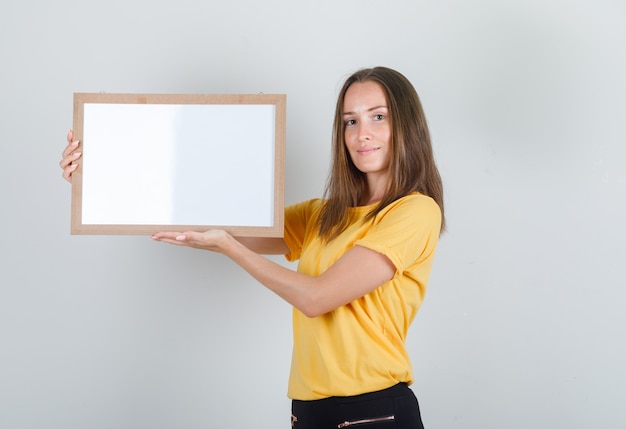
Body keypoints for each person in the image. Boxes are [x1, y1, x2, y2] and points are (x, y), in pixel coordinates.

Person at [60, 66, 445, 429]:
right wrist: (99, 176)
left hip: (374, 412)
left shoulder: (414, 211)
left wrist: (229, 248)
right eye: (351, 120)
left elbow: (317, 298)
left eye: (378, 117)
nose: (362, 133)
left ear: (406, 125)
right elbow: (216, 222)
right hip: (308, 411)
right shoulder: (324, 215)